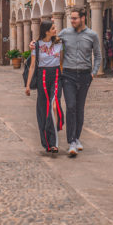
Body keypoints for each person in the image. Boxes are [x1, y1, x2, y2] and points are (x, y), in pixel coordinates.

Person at [35, 8, 101, 158]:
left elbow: (98, 55)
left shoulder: (92, 35)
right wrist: (35, 43)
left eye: (75, 18)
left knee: (79, 108)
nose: (72, 21)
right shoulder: (65, 33)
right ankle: (71, 141)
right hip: (68, 75)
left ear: (83, 18)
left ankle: (76, 138)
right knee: (70, 106)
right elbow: (49, 40)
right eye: (71, 18)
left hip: (85, 75)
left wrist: (94, 72)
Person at [25, 21, 64, 156]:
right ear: (46, 31)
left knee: (55, 105)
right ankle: (50, 142)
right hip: (42, 76)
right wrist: (28, 85)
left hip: (56, 75)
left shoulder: (59, 43)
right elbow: (32, 66)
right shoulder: (36, 45)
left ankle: (55, 139)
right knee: (45, 110)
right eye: (53, 28)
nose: (55, 30)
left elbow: (62, 62)